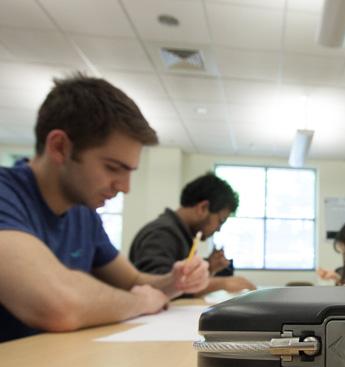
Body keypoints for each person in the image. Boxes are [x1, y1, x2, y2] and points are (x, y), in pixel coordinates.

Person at [0, 74, 210, 343]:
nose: (125, 187)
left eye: (130, 172)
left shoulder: (83, 213)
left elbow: (133, 280)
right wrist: (138, 303)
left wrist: (175, 281)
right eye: (113, 168)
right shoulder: (7, 195)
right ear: (59, 147)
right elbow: (58, 304)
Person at [129, 173, 256, 294]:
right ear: (203, 208)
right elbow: (158, 286)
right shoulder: (162, 233)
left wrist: (210, 267)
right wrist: (224, 283)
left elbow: (179, 280)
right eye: (220, 221)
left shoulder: (181, 234)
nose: (218, 229)